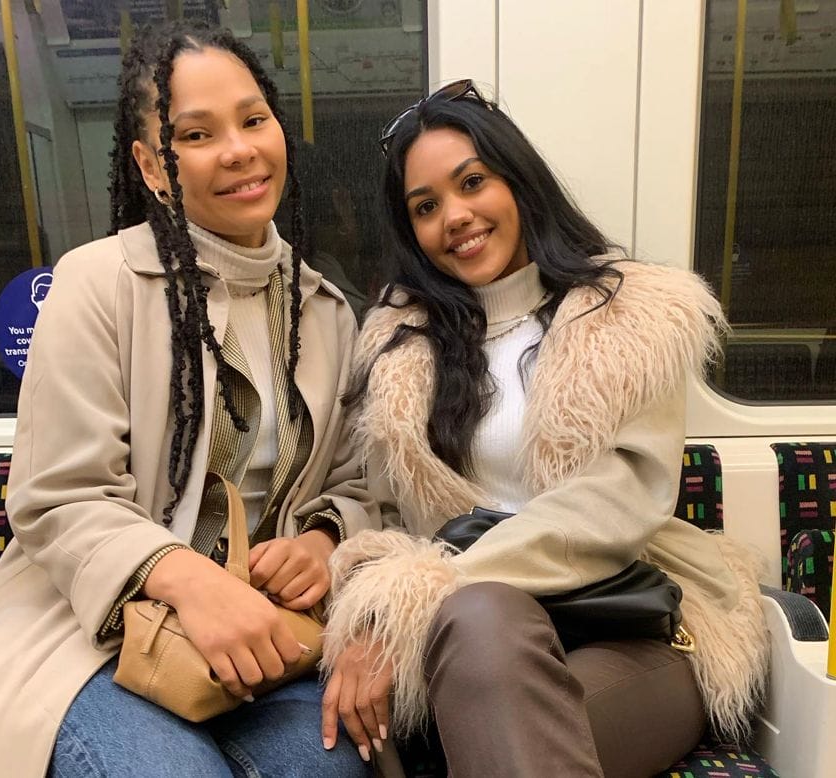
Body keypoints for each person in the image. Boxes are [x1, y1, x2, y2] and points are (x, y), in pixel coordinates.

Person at [0, 21, 378, 778]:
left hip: (263, 639)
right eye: (197, 134)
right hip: (88, 633)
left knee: (330, 768)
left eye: (253, 120)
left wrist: (322, 543)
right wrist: (187, 580)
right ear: (151, 165)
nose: (239, 150)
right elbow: (59, 497)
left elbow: (355, 485)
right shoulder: (97, 285)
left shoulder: (324, 312)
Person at [318, 81, 768, 778]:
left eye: (473, 182)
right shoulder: (400, 349)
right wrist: (375, 619)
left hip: (630, 627)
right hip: (473, 640)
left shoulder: (628, 317)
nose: (455, 217)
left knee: (495, 711)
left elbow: (618, 503)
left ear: (518, 180)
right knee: (481, 628)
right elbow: (387, 514)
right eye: (426, 207)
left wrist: (434, 585)